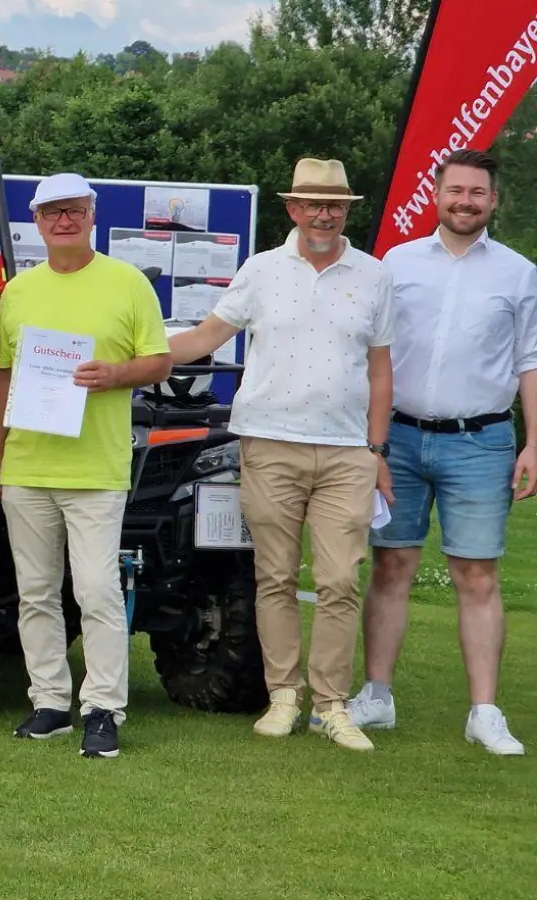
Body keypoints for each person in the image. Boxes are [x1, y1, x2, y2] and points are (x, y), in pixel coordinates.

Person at [168, 158, 394, 752]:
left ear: (347, 210)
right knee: (273, 577)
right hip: (268, 442)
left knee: (342, 579)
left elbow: (380, 366)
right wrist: (132, 355)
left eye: (336, 205)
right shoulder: (261, 270)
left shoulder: (373, 275)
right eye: (313, 204)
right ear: (292, 209)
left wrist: (377, 449)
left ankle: (332, 705)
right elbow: (203, 339)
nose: (325, 214)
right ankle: (284, 696)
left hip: (347, 451)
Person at [0, 172, 172, 759]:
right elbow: (6, 376)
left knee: (96, 591)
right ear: (36, 222)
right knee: (36, 592)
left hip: (96, 467)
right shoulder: (18, 291)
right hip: (29, 465)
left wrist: (115, 375)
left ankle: (103, 709)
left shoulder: (127, 283)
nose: (64, 221)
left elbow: (160, 362)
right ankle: (48, 702)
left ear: (92, 215)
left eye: (74, 211)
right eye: (52, 213)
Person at [351, 149, 532, 756]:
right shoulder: (395, 264)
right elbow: (370, 354)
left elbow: (531, 362)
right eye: (456, 190)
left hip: (481, 442)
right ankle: (376, 696)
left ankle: (484, 711)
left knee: (476, 574)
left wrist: (535, 442)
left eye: (477, 193)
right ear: (436, 194)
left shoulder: (518, 273)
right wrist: (369, 440)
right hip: (396, 438)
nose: (466, 201)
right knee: (391, 565)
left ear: (493, 201)